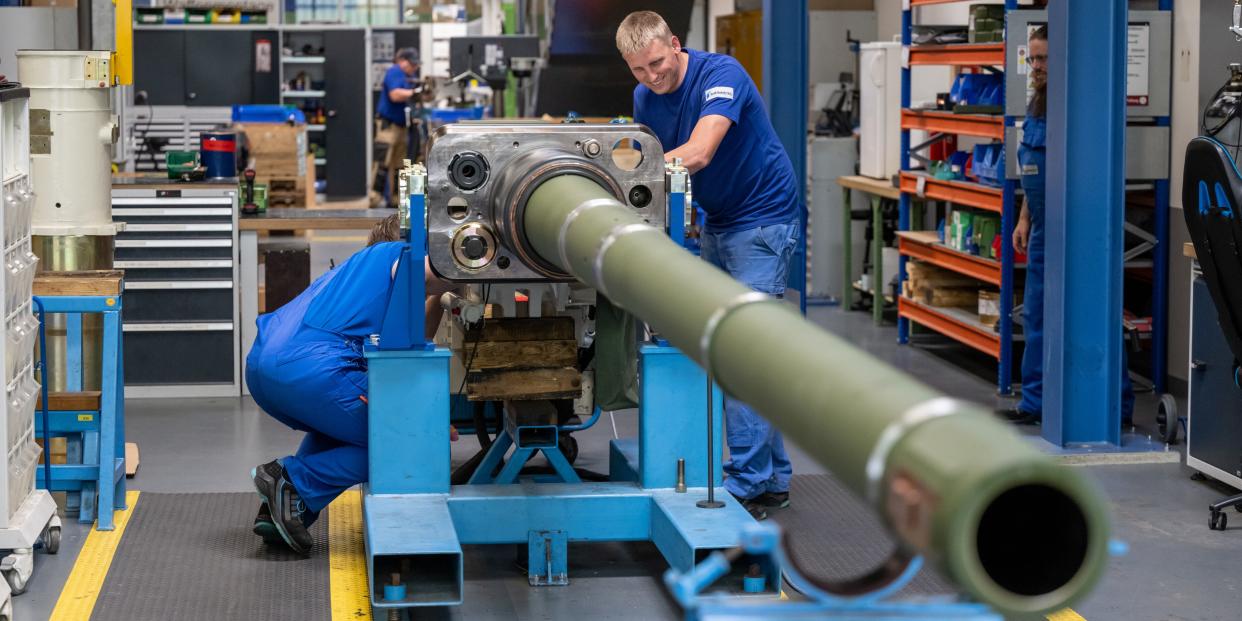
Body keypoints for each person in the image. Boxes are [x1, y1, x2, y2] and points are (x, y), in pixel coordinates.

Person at [616, 11, 803, 520]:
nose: (652, 77)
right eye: (638, 70)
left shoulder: (722, 75)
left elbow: (697, 153)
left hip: (763, 219)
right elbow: (650, 161)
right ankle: (773, 479)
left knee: (744, 351)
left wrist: (627, 181)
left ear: (675, 44)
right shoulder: (644, 98)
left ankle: (744, 482)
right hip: (718, 219)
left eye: (657, 63)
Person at [248, 215, 451, 554]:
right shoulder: (393, 254)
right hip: (308, 370)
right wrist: (472, 270)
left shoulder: (350, 278)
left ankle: (285, 511)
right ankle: (293, 481)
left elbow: (418, 337)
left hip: (265, 368)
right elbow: (431, 272)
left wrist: (443, 296)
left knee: (345, 429)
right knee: (405, 443)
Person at [1004, 25, 1134, 426]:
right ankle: (1035, 404)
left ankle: (1116, 405)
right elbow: (1033, 167)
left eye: (1044, 59)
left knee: (1094, 313)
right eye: (1033, 58)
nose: (1037, 66)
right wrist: (1025, 216)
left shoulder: (1080, 105)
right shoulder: (1038, 104)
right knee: (1037, 315)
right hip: (1045, 226)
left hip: (1080, 228)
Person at [371, 48, 421, 208]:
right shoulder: (394, 71)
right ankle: (374, 198)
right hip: (388, 126)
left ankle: (396, 200)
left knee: (400, 165)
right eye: (412, 65)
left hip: (402, 127)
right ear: (403, 61)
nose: (415, 68)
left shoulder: (409, 76)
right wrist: (414, 92)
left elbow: (413, 95)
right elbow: (395, 95)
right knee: (382, 162)